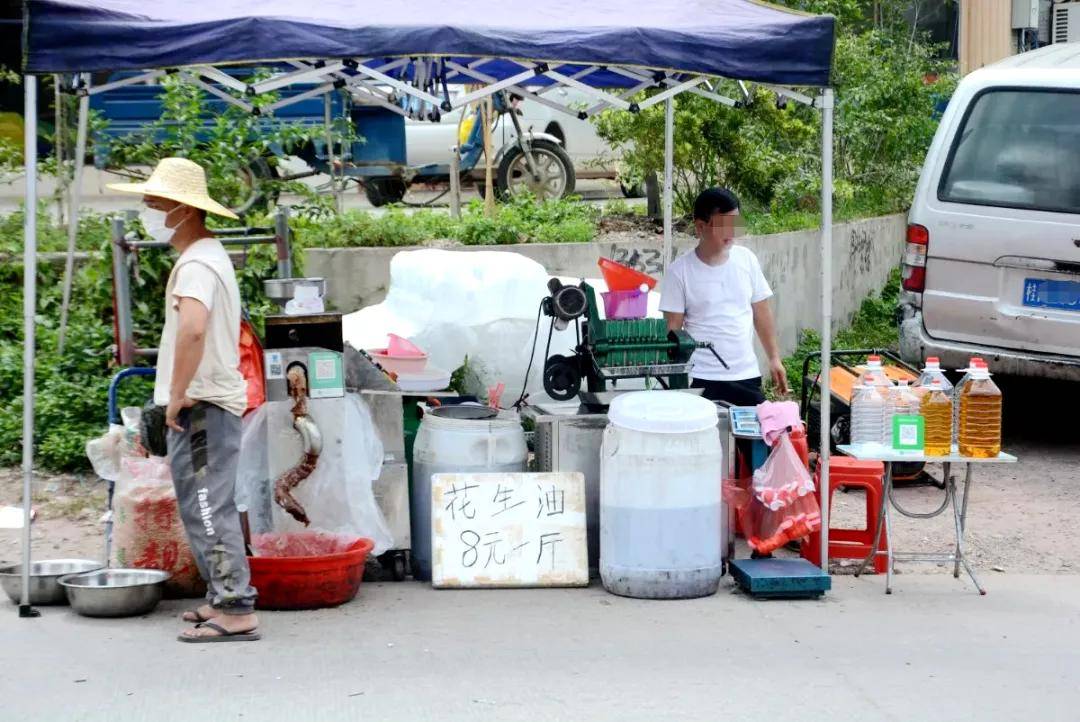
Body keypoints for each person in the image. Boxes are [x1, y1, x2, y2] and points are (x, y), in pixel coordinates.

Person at [108, 158, 260, 643]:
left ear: (182, 209)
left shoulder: (197, 264)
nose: (148, 212)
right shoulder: (207, 257)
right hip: (208, 401)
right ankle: (221, 596)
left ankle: (236, 607)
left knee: (206, 504)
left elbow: (193, 329)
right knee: (205, 503)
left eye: (154, 204)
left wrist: (176, 396)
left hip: (202, 404)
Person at [660, 187, 788, 406]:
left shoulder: (747, 260)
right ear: (701, 226)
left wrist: (774, 358)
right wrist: (675, 382)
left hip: (744, 374)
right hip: (699, 378)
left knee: (758, 436)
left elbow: (761, 312)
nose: (732, 232)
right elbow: (673, 331)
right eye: (724, 225)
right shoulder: (678, 272)